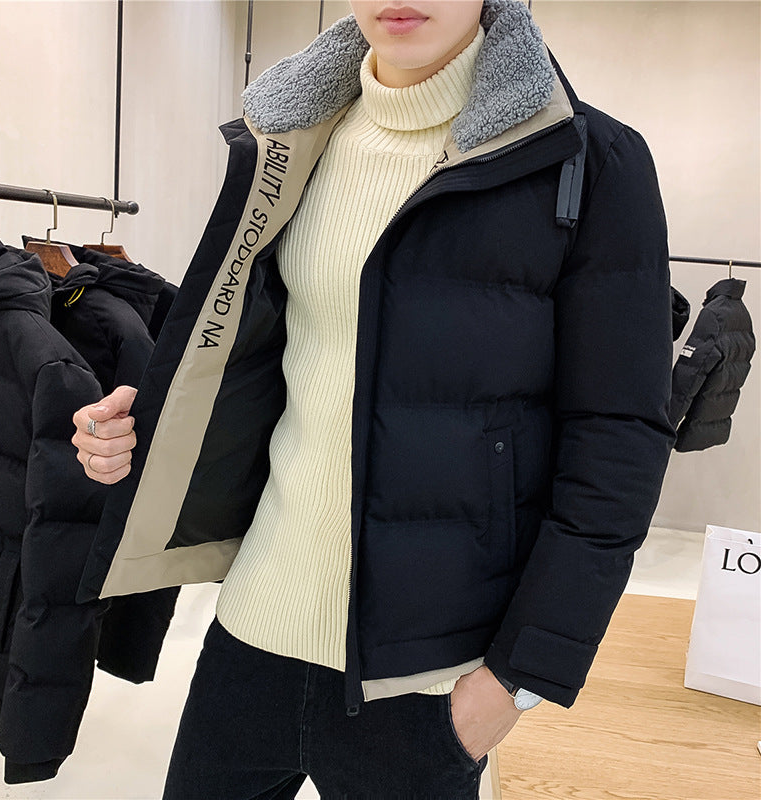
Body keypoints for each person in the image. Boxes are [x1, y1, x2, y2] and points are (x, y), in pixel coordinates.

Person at [71, 1, 675, 797]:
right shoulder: (291, 135)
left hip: (428, 680)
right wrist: (140, 432)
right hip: (253, 634)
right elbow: (271, 364)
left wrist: (518, 679)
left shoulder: (591, 160)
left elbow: (619, 439)